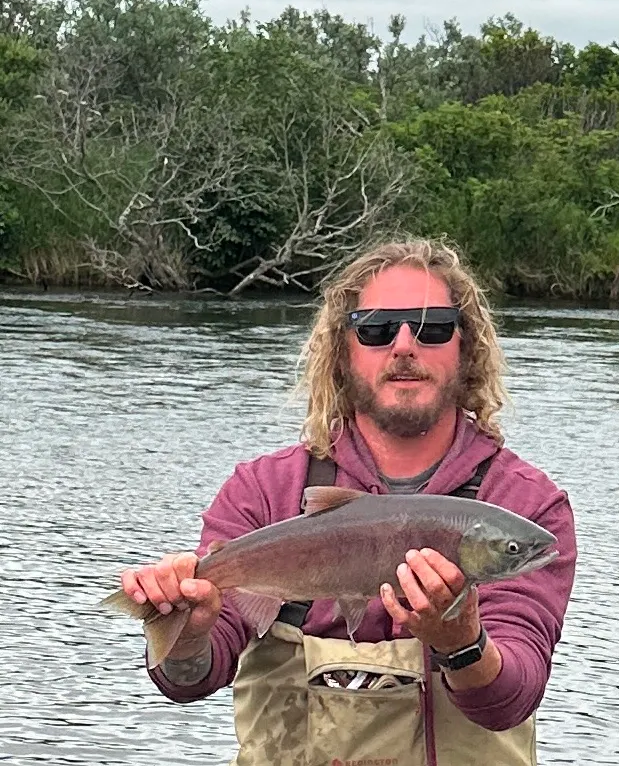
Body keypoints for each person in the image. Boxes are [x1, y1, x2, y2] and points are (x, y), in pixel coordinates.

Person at [119, 238, 577, 766]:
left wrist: (462, 643)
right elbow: (191, 679)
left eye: (431, 328)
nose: (403, 346)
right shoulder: (265, 491)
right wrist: (183, 633)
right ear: (342, 351)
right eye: (376, 329)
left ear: (466, 347)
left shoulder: (524, 504)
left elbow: (513, 697)